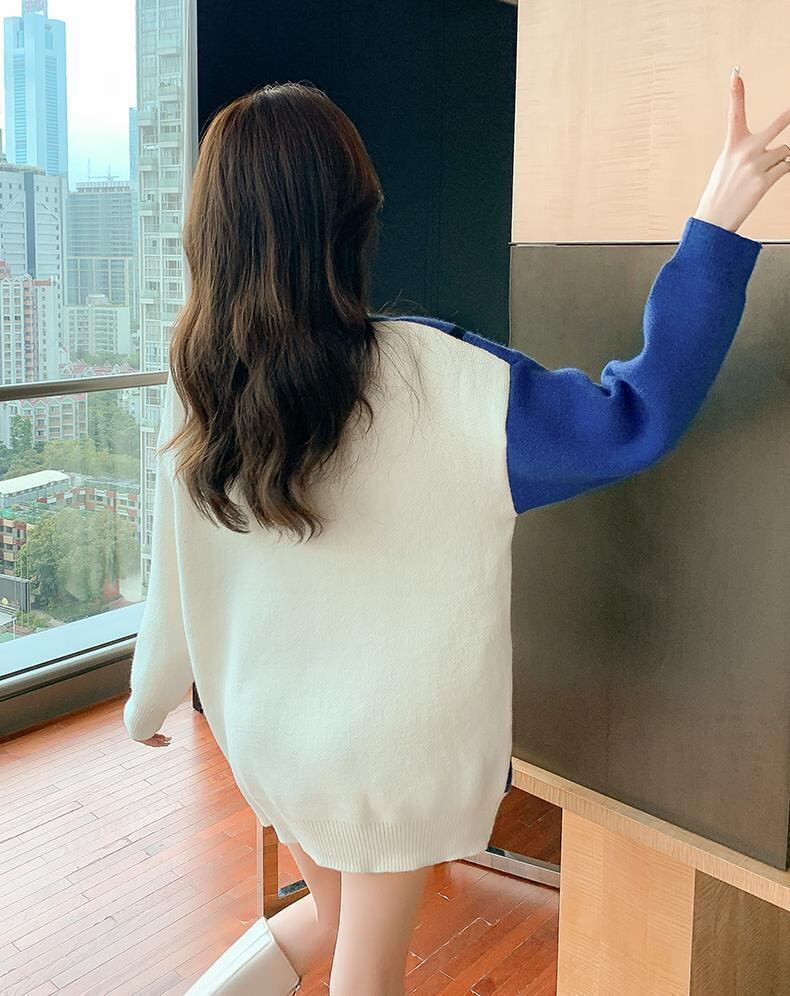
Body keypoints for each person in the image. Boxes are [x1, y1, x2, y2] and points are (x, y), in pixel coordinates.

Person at [122, 68, 788, 995]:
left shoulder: (195, 378)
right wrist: (714, 226)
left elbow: (173, 563)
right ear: (354, 218)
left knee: (335, 919)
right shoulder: (443, 381)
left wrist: (150, 695)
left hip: (267, 736)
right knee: (367, 966)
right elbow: (631, 420)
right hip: (389, 755)